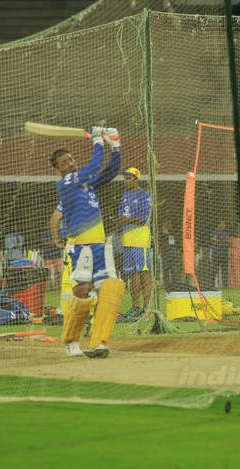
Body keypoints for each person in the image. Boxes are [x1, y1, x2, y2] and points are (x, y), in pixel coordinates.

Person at [51, 125, 123, 358]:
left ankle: (99, 342)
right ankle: (72, 341)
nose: (69, 163)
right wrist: (98, 141)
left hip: (99, 244)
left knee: (110, 289)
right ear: (57, 170)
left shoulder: (85, 183)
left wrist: (115, 146)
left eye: (70, 159)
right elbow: (93, 166)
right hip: (80, 245)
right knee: (82, 289)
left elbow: (110, 172)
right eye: (63, 162)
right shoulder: (67, 182)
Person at [117, 167, 152, 321]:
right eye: (125, 178)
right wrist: (119, 222)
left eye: (130, 178)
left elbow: (145, 218)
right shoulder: (124, 196)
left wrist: (128, 219)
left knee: (144, 272)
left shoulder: (145, 196)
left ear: (137, 180)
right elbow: (121, 217)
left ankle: (148, 307)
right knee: (132, 274)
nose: (126, 181)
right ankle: (135, 307)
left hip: (140, 239)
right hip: (127, 240)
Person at [159, 220, 180, 290]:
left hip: (171, 252)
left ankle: (175, 285)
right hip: (164, 252)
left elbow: (174, 242)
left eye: (170, 223)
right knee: (165, 269)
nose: (170, 225)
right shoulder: (161, 233)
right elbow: (160, 242)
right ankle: (167, 286)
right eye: (168, 223)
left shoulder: (172, 233)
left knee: (173, 269)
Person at [210, 219, 229, 287]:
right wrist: (222, 241)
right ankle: (211, 285)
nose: (224, 225)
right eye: (222, 223)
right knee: (214, 271)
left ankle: (225, 285)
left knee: (225, 271)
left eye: (224, 224)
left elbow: (227, 241)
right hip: (216, 254)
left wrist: (219, 241)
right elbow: (214, 241)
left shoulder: (226, 233)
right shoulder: (214, 232)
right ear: (218, 224)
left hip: (224, 254)